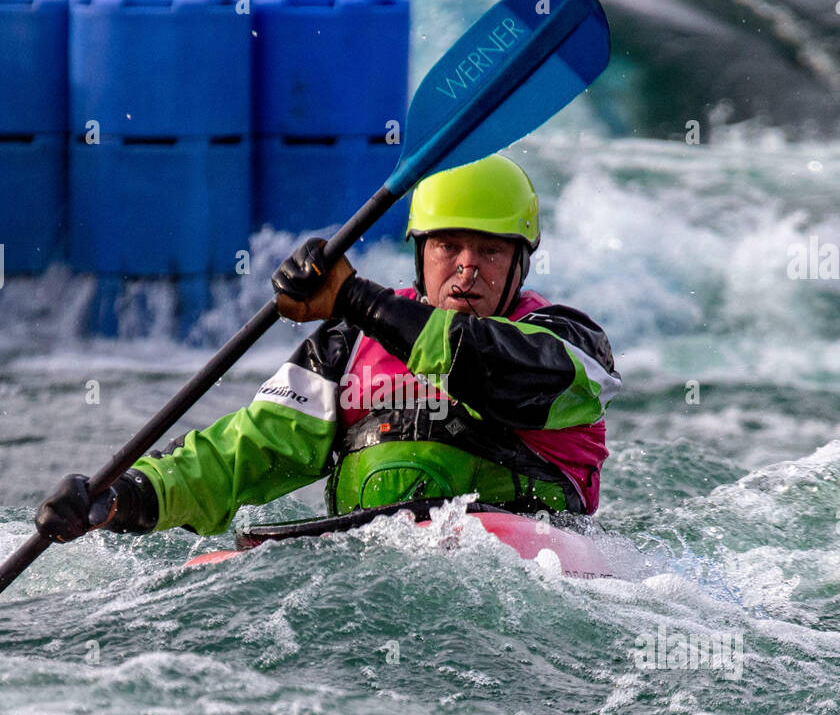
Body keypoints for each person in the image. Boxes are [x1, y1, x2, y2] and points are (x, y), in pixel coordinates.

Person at [36, 154, 622, 543]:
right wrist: (128, 497)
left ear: (520, 262)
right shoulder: (344, 348)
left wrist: (357, 298)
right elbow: (248, 449)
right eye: (449, 246)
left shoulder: (570, 344)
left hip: (525, 569)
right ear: (421, 254)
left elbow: (489, 364)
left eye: (490, 251)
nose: (467, 267)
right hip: (362, 573)